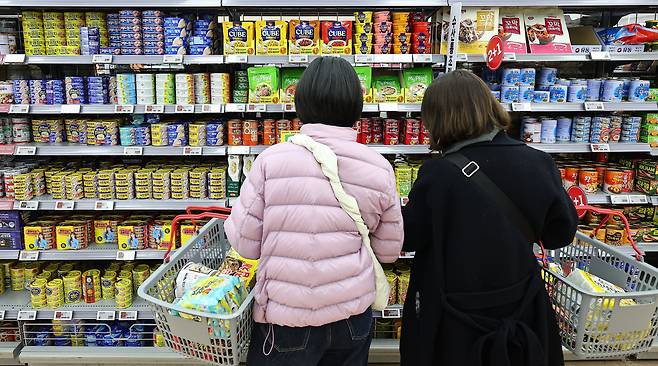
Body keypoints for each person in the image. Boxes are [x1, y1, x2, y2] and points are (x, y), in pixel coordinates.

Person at [225, 56, 404, 366]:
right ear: (356, 104)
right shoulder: (379, 168)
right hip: (351, 317)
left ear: (301, 102)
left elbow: (244, 245)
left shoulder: (270, 162)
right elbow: (389, 251)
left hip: (285, 319)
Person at [400, 70, 578, 366]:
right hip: (521, 310)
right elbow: (560, 234)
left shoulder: (437, 175)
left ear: (438, 119)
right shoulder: (538, 162)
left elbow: (409, 237)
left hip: (454, 319)